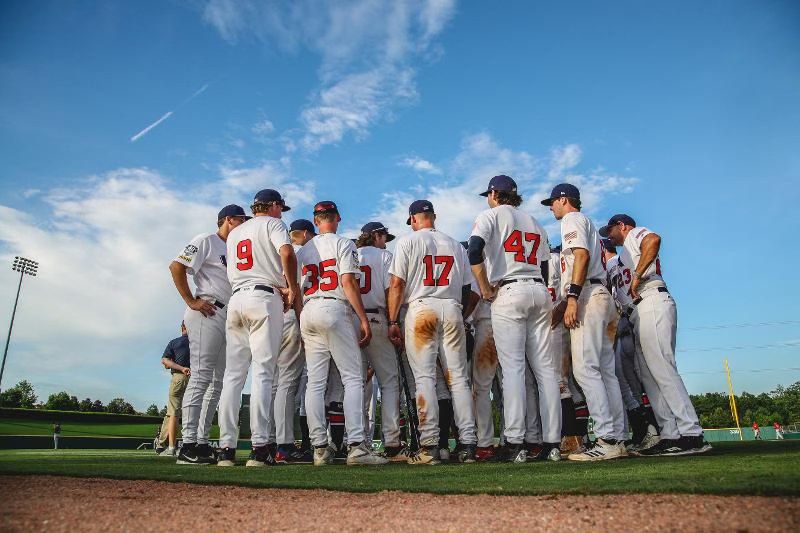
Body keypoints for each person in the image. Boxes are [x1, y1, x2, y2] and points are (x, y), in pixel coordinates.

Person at [601, 214, 710, 456]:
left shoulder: (633, 234)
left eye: (611, 230)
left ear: (622, 225)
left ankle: (692, 433)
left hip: (652, 298)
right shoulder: (618, 259)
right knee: (648, 375)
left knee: (662, 367)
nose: (609, 235)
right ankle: (669, 433)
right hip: (636, 313)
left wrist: (638, 276)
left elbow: (653, 239)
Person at [468, 175, 561, 462]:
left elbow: (473, 250)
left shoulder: (491, 214)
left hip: (509, 289)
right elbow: (545, 265)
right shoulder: (535, 221)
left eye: (489, 193)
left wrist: (484, 287)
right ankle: (552, 443)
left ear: (495, 193)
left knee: (514, 370)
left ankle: (516, 441)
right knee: (546, 371)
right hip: (538, 288)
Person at [296, 201, 388, 466]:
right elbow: (347, 282)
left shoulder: (304, 250)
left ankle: (319, 448)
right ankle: (357, 446)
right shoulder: (343, 243)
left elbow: (297, 288)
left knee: (315, 382)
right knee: (352, 378)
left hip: (309, 308)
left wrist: (302, 315)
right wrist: (363, 319)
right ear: (336, 218)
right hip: (334, 306)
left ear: (315, 221)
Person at [387, 199, 478, 465]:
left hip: (421, 306)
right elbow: (467, 291)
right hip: (451, 306)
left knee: (425, 377)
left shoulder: (407, 241)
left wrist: (393, 320)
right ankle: (468, 444)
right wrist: (459, 316)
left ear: (414, 219)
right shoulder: (455, 244)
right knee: (459, 379)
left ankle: (429, 446)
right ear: (433, 216)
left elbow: (396, 284)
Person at [542, 184, 627, 461]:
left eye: (553, 202)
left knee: (586, 370)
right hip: (600, 294)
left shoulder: (572, 219)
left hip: (588, 294)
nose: (552, 207)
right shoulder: (585, 222)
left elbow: (581, 255)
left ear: (564, 200)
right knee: (605, 371)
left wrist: (573, 297)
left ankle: (606, 438)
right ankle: (618, 437)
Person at [215, 189, 299, 468]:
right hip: (264, 296)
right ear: (273, 206)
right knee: (264, 372)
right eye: (280, 208)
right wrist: (292, 288)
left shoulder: (236, 231)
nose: (281, 212)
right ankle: (259, 447)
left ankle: (226, 449)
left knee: (233, 376)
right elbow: (286, 252)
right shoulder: (274, 224)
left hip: (236, 298)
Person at [170, 204, 247, 465]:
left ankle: (201, 442)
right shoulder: (206, 240)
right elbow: (176, 266)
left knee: (218, 382)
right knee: (201, 375)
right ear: (228, 219)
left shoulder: (236, 248)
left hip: (228, 314)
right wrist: (191, 301)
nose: (244, 224)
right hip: (207, 308)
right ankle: (187, 444)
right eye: (241, 219)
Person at [354, 222, 405, 461]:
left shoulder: (352, 253)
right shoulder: (385, 256)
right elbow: (390, 290)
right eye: (384, 235)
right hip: (376, 317)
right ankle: (392, 442)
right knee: (390, 381)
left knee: (353, 383)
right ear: (375, 235)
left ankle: (355, 442)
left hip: (351, 319)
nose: (386, 240)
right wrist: (393, 320)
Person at [270, 219, 316, 464]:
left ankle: (267, 441)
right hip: (294, 312)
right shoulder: (303, 252)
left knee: (274, 383)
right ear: (307, 233)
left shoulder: (274, 251)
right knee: (288, 382)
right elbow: (298, 289)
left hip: (271, 313)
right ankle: (284, 446)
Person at [158, 322, 191, 456]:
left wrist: (179, 367)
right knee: (186, 412)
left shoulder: (175, 342)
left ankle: (170, 447)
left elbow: (165, 361)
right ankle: (162, 444)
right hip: (197, 379)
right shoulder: (199, 343)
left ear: (182, 328)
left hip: (179, 377)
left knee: (173, 413)